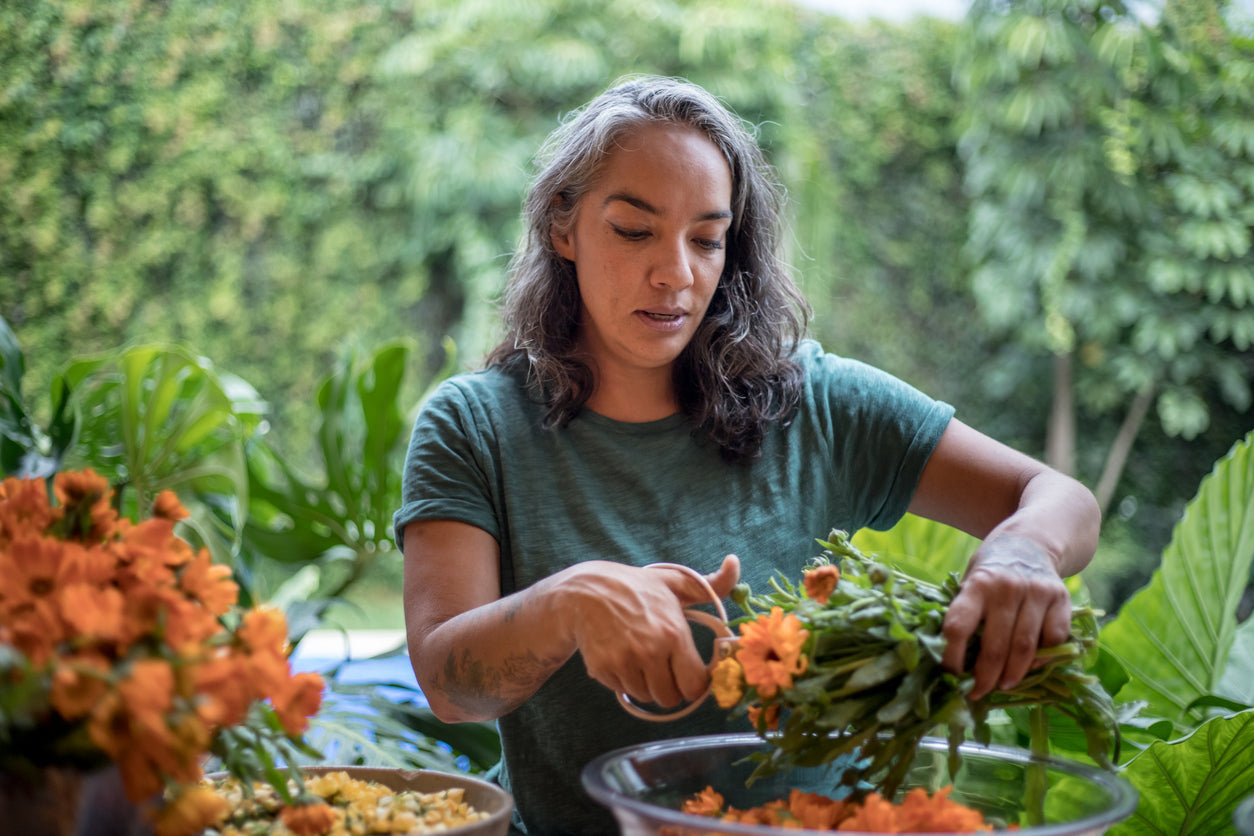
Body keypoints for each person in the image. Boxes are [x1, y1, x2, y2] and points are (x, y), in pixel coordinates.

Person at [394, 75, 1100, 835]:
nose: (677, 273)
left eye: (706, 238)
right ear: (563, 227)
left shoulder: (819, 405)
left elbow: (1059, 497)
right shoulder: (474, 426)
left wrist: (1023, 554)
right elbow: (449, 685)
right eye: (635, 230)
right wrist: (568, 603)